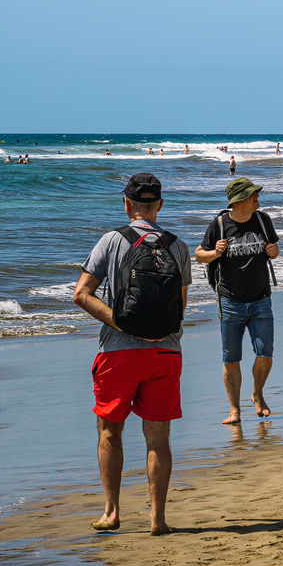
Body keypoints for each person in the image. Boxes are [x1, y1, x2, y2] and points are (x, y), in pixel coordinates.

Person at [71, 172, 190, 534]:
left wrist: (122, 324)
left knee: (110, 430)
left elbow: (81, 294)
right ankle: (158, 519)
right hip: (165, 352)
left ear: (127, 205)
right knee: (158, 437)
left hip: (119, 353)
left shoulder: (111, 241)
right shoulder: (178, 246)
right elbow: (180, 310)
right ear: (160, 205)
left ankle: (111, 511)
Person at [194, 177, 281, 425]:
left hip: (261, 298)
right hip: (229, 300)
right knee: (231, 358)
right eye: (253, 194)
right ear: (239, 200)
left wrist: (274, 252)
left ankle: (257, 394)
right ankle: (235, 410)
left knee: (265, 353)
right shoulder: (220, 224)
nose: (258, 197)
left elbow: (274, 249)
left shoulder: (263, 220)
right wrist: (215, 252)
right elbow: (199, 255)